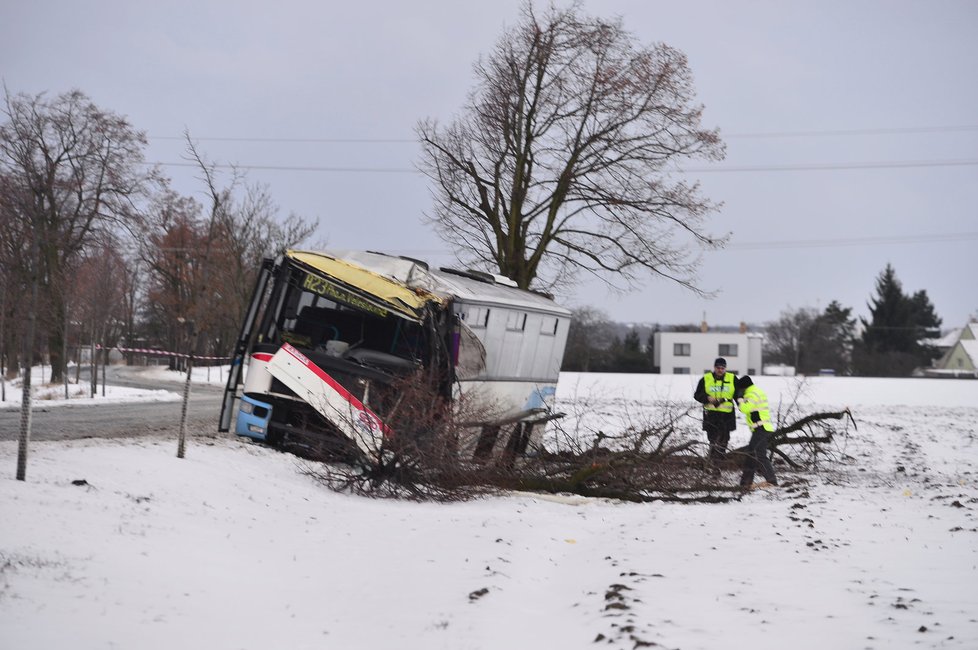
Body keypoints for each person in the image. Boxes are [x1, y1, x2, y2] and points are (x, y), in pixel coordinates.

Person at [693, 358, 738, 473]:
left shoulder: (732, 378)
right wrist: (707, 398)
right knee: (713, 441)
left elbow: (739, 394)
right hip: (711, 416)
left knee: (724, 441)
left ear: (725, 369)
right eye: (718, 368)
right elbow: (697, 395)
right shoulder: (705, 379)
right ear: (714, 368)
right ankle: (714, 466)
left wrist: (743, 404)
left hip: (727, 416)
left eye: (722, 368)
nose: (720, 370)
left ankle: (718, 465)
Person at [734, 375, 778, 490]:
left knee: (759, 455)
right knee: (751, 455)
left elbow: (745, 409)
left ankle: (771, 480)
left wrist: (739, 399)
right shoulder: (755, 391)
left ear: (743, 387)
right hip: (760, 428)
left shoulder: (751, 393)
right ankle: (745, 483)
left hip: (761, 428)